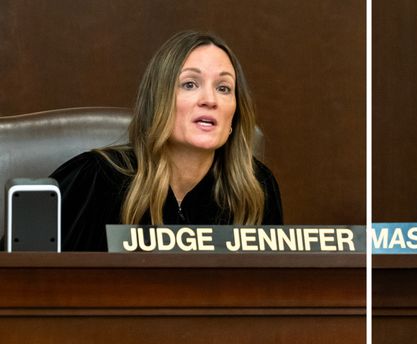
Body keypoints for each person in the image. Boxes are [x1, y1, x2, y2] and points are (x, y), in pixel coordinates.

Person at [51, 31, 283, 251]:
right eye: (190, 84)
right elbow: (31, 276)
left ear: (235, 114)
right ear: (158, 102)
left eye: (223, 88)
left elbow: (273, 290)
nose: (210, 100)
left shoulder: (257, 188)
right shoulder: (94, 177)